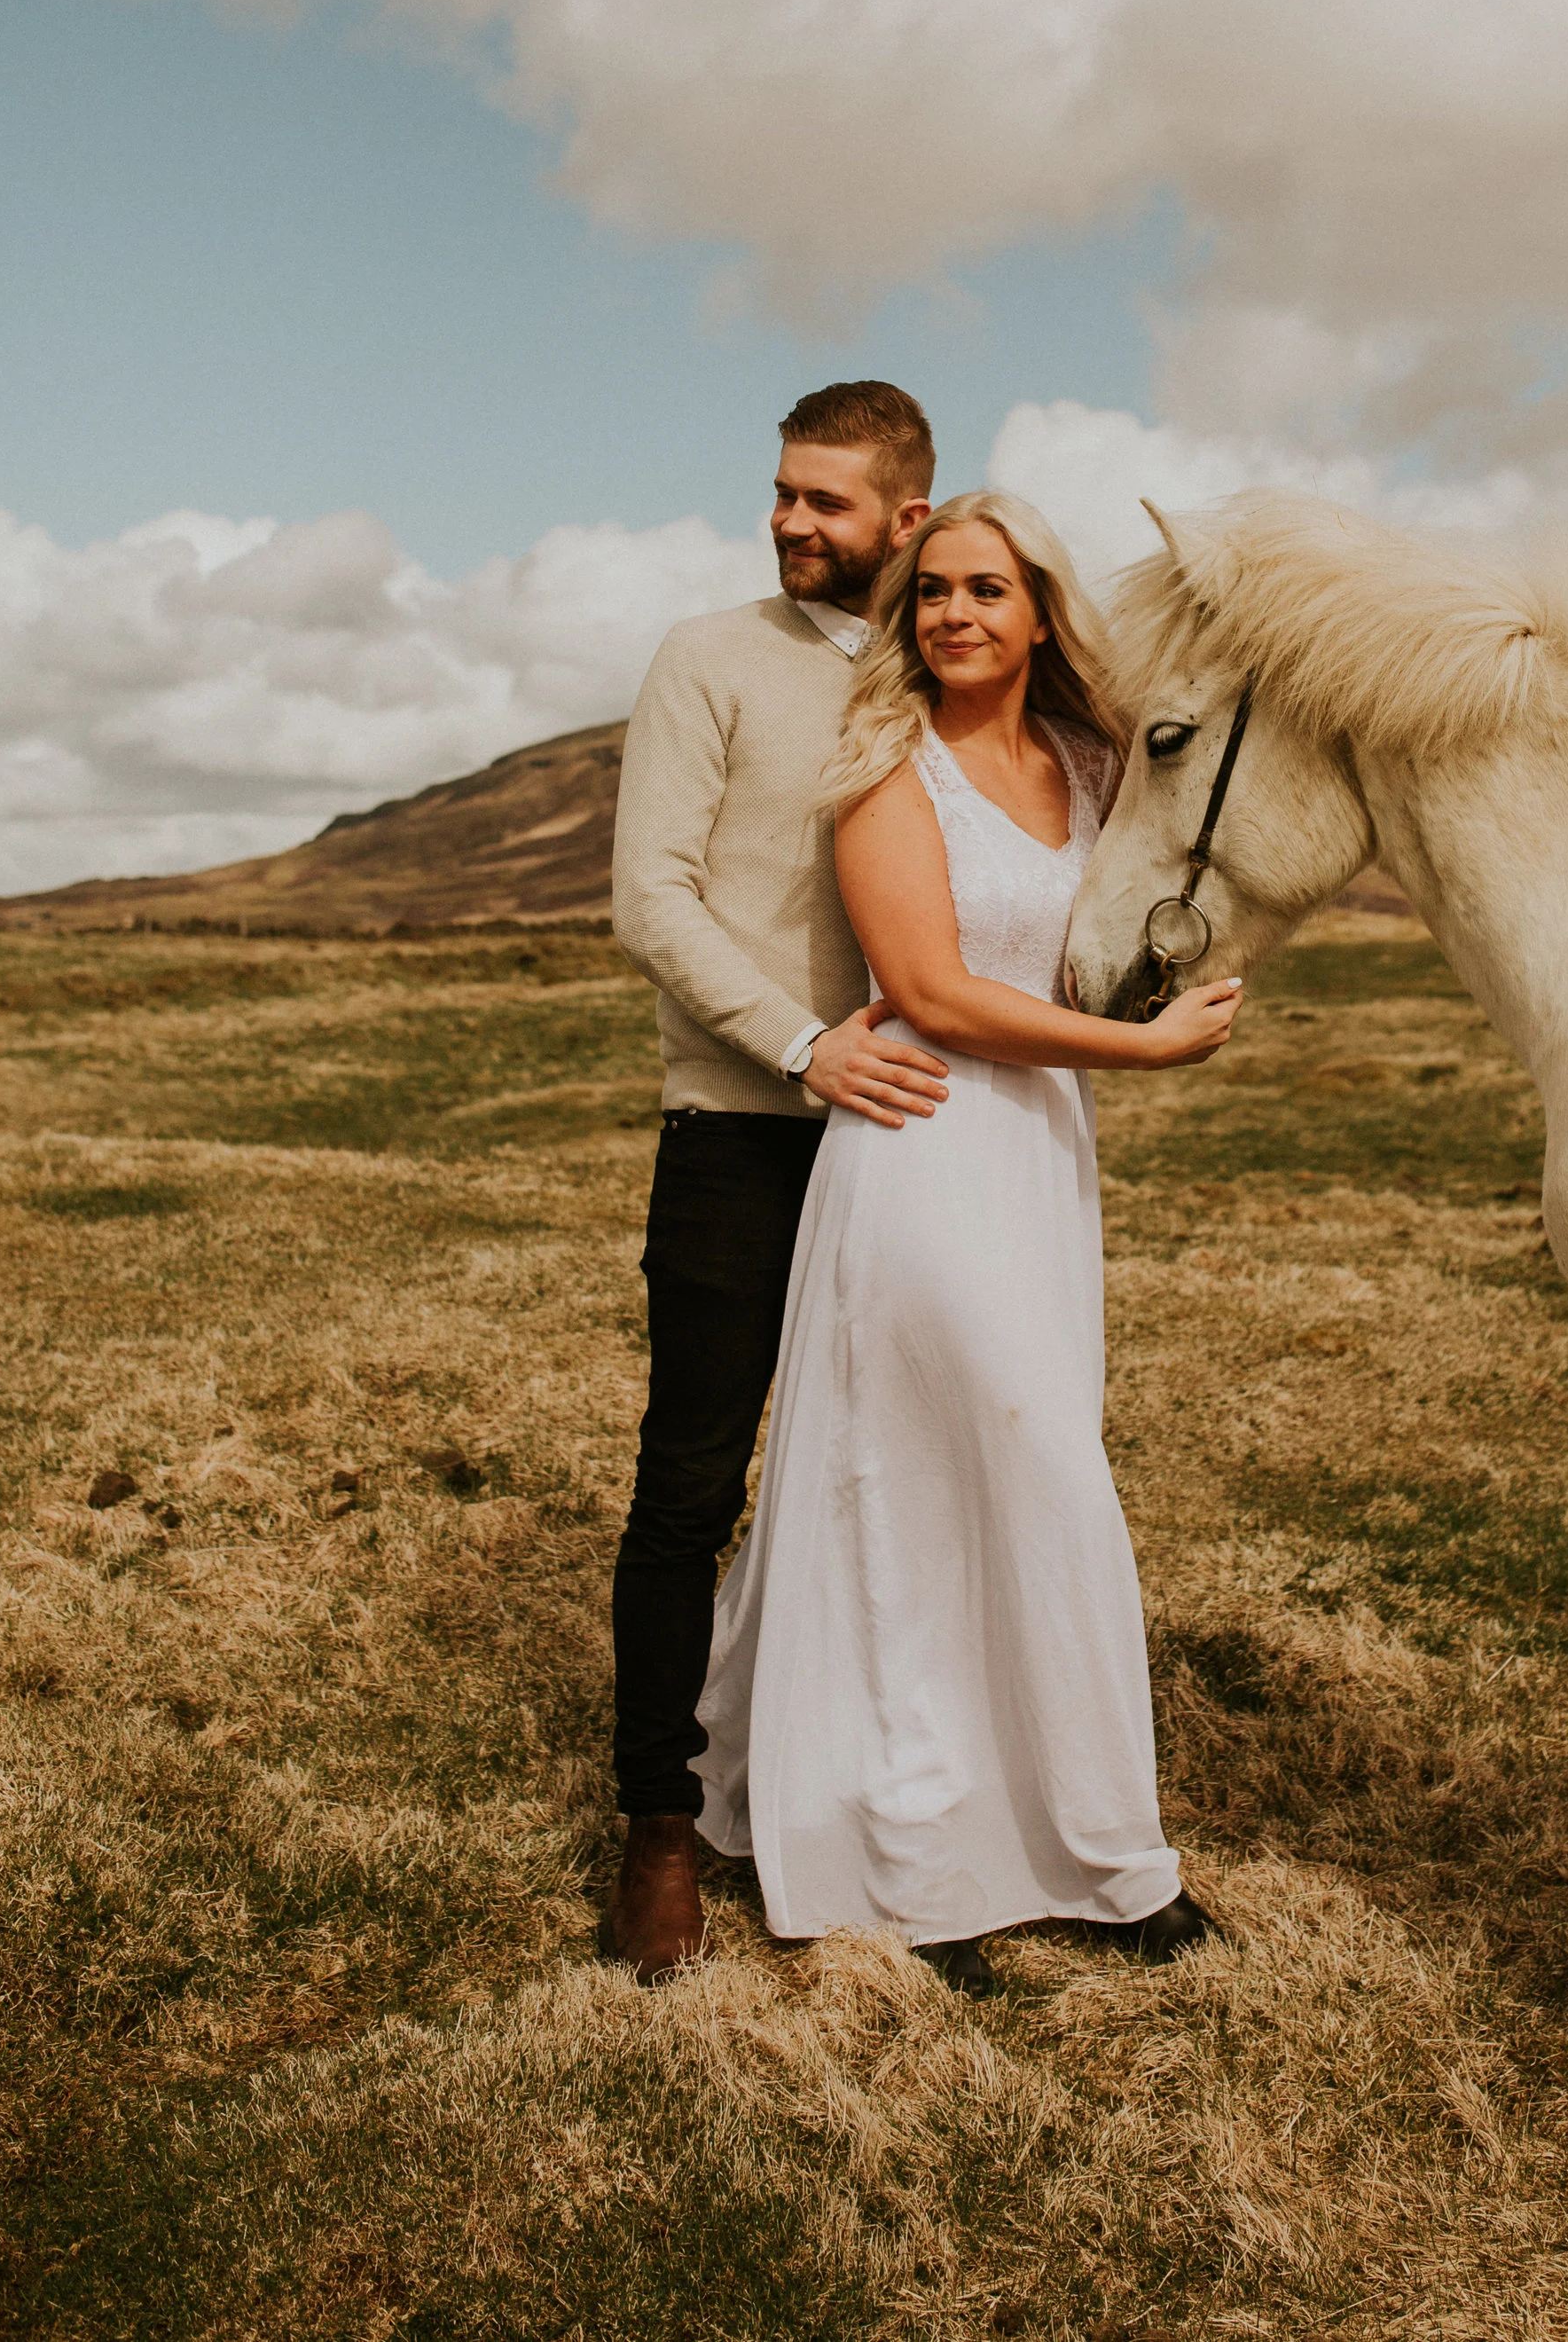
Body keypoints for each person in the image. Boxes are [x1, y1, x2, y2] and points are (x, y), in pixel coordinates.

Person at [694, 492, 1243, 1996]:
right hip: (926, 1148)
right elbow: (930, 989)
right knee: (987, 1481)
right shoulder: (884, 765)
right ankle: (942, 1861)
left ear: (1042, 611)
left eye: (988, 590)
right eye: (932, 590)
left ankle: (1075, 1844)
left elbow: (1184, 843)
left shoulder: (1088, 763)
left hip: (1040, 1167)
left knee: (1013, 1476)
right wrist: (1142, 1058)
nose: (953, 614)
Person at [608, 381, 953, 1981]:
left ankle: (874, 1796)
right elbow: (652, 900)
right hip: (744, 1134)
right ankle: (660, 1825)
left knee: (893, 1483)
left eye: (826, 502)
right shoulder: (709, 658)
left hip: (914, 1145)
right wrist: (802, 1043)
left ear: (909, 516)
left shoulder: (951, 665)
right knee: (694, 1484)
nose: (788, 521)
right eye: (782, 492)